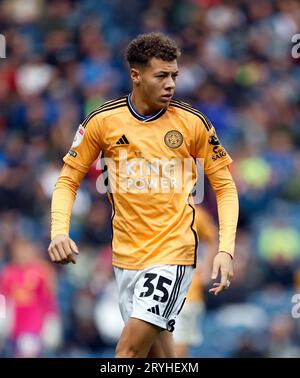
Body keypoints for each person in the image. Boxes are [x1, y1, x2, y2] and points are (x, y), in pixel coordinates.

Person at [48, 32, 239, 358]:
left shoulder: (192, 123)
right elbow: (68, 179)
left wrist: (226, 249)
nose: (171, 84)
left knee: (127, 354)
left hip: (172, 255)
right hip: (126, 259)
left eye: (174, 76)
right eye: (161, 75)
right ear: (136, 76)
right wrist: (58, 231)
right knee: (163, 360)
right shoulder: (103, 122)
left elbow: (225, 186)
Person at [173, 206, 218, 357]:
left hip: (188, 291)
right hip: (160, 289)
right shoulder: (154, 210)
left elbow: (212, 239)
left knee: (178, 344)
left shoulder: (196, 213)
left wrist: (207, 268)